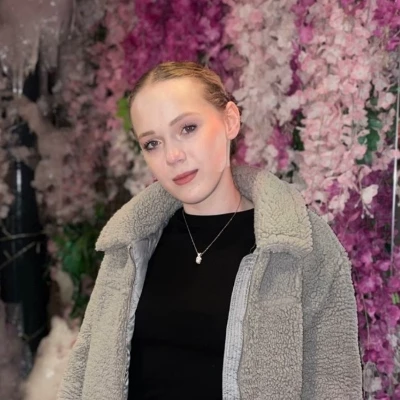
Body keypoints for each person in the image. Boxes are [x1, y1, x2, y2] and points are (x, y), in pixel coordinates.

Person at [57, 61, 363, 400]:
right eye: (152, 143)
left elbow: (335, 384)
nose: (172, 155)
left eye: (187, 128)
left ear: (230, 120)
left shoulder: (299, 244)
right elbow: (84, 370)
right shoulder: (130, 245)